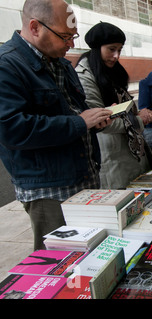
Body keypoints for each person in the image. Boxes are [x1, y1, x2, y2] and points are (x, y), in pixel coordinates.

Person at [0, 0, 113, 250]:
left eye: (73, 36)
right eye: (65, 36)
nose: (71, 44)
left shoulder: (60, 63)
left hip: (84, 177)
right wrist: (79, 123)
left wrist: (93, 121)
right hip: (49, 190)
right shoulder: (7, 65)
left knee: (92, 255)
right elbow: (12, 129)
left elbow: (74, 110)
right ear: (35, 27)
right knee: (59, 264)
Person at [75, 22, 152, 189]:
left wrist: (138, 114)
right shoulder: (85, 76)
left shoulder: (111, 70)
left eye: (119, 50)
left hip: (132, 150)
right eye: (111, 49)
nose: (116, 56)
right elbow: (99, 121)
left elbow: (122, 107)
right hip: (113, 156)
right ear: (97, 48)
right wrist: (139, 120)